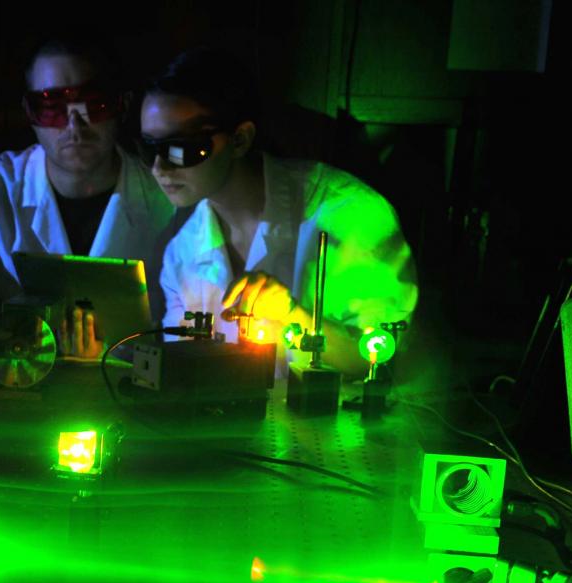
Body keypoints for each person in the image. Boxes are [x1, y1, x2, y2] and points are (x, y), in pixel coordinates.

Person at [140, 48, 417, 376]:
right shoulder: (182, 253)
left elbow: (387, 363)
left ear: (240, 139)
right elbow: (183, 373)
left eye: (181, 148)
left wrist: (293, 315)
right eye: (149, 148)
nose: (160, 167)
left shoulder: (351, 216)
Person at [0, 37, 174, 358]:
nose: (75, 125)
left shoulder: (168, 195)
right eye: (51, 108)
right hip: (20, 381)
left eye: (94, 104)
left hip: (136, 385)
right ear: (30, 113)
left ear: (122, 105)